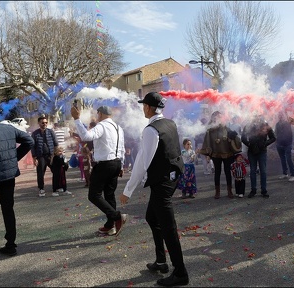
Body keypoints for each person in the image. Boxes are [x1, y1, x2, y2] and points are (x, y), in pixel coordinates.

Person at [120, 92, 189, 286]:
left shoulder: (151, 130)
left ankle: (181, 273)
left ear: (149, 107)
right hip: (172, 177)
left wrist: (128, 190)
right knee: (152, 217)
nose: (143, 108)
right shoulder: (170, 123)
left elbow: (142, 161)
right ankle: (161, 261)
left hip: (163, 181)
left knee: (168, 227)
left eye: (144, 105)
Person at [70, 105, 127, 237]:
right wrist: (122, 165)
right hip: (116, 163)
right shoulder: (118, 128)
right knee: (109, 194)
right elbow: (122, 148)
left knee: (94, 195)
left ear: (100, 114)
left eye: (97, 114)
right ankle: (110, 225)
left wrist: (76, 119)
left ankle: (116, 217)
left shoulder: (102, 126)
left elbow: (85, 136)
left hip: (105, 164)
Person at [0, 113, 34, 256]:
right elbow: (29, 141)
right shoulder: (8, 128)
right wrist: (14, 158)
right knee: (8, 209)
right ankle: (10, 245)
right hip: (8, 175)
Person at [198, 111, 240, 199]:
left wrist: (233, 136)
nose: (218, 119)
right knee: (217, 173)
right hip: (216, 154)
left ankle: (230, 191)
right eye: (216, 117)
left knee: (228, 172)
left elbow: (234, 138)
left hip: (227, 154)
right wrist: (208, 154)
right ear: (213, 118)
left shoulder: (226, 128)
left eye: (220, 117)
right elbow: (207, 142)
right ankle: (217, 192)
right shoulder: (210, 130)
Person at [241, 115, 276, 198]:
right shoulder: (248, 125)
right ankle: (253, 190)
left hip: (262, 151)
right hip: (251, 151)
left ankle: (264, 190)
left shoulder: (265, 125)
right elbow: (243, 137)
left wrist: (264, 144)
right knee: (252, 171)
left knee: (263, 171)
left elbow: (273, 138)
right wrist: (249, 144)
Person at [31, 115, 59, 197]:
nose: (45, 124)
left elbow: (56, 144)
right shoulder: (35, 134)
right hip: (41, 156)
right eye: (43, 123)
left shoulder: (51, 132)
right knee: (40, 173)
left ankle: (56, 188)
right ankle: (41, 189)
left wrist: (56, 155)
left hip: (51, 156)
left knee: (56, 171)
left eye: (46, 122)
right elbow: (32, 146)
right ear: (39, 123)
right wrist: (34, 157)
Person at [275, 110, 294, 182]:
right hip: (279, 144)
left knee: (289, 159)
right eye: (279, 115)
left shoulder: (289, 123)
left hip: (288, 144)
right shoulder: (277, 124)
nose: (280, 116)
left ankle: (293, 175)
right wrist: (276, 142)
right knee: (282, 159)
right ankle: (285, 173)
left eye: (282, 115)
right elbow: (275, 134)